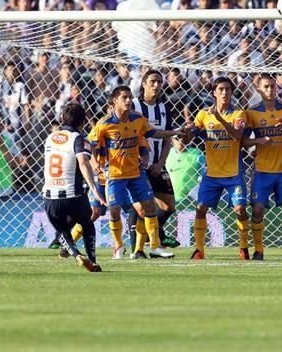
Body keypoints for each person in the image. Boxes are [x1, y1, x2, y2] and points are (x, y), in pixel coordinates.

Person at [89, 86, 179, 259]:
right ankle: (118, 245)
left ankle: (154, 246)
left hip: (136, 173)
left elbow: (153, 134)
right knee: (114, 210)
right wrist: (94, 163)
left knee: (149, 207)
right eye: (125, 98)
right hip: (115, 175)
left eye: (130, 97)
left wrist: (173, 133)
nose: (129, 101)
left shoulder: (138, 120)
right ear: (115, 101)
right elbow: (90, 145)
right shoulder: (104, 124)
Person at [186, 76, 250, 261]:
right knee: (200, 208)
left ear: (231, 92)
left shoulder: (239, 114)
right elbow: (189, 138)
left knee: (240, 210)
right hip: (211, 174)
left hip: (233, 173)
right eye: (221, 89)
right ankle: (199, 250)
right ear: (214, 92)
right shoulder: (203, 115)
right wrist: (188, 130)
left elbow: (238, 135)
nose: (224, 92)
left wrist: (220, 118)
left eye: (228, 89)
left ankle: (243, 248)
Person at [243, 74, 282, 261]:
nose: (270, 90)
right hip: (261, 170)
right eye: (266, 87)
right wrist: (258, 140)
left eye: (272, 87)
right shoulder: (251, 113)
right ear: (259, 89)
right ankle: (259, 250)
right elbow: (243, 141)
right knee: (258, 210)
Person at [42, 102, 104, 272]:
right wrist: (94, 189)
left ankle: (76, 254)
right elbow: (83, 163)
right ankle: (92, 259)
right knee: (87, 223)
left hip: (49, 196)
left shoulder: (50, 137)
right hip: (72, 194)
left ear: (62, 118)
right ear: (83, 121)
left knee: (62, 230)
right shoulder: (79, 139)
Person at [128, 70, 180, 259]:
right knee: (142, 207)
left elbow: (167, 138)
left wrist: (160, 163)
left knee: (168, 206)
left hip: (157, 163)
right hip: (137, 165)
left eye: (159, 81)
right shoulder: (133, 106)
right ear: (143, 84)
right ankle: (138, 249)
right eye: (152, 81)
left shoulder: (165, 108)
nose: (156, 85)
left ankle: (153, 238)